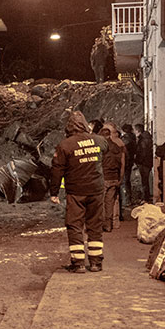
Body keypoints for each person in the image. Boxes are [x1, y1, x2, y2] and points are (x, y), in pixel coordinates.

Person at [50, 111, 108, 273]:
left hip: (76, 191)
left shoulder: (65, 145)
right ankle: (96, 262)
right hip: (96, 190)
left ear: (69, 127)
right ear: (84, 124)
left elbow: (57, 170)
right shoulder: (99, 141)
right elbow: (106, 148)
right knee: (95, 225)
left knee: (75, 225)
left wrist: (54, 193)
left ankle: (79, 263)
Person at [98, 123, 126, 232]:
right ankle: (108, 225)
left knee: (100, 202)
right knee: (110, 202)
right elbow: (122, 164)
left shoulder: (101, 149)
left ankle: (100, 225)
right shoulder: (117, 147)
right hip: (114, 178)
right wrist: (120, 179)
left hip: (103, 178)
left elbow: (97, 164)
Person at [134, 124, 153, 202]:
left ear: (138, 131)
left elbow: (143, 152)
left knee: (144, 181)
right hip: (147, 162)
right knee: (145, 180)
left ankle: (145, 198)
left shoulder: (142, 140)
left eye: (135, 130)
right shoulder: (146, 138)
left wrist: (138, 161)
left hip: (144, 163)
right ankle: (146, 197)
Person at [121, 123, 136, 210]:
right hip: (129, 162)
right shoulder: (133, 138)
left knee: (125, 181)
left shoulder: (126, 139)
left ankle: (126, 200)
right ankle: (128, 199)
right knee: (127, 181)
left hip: (126, 162)